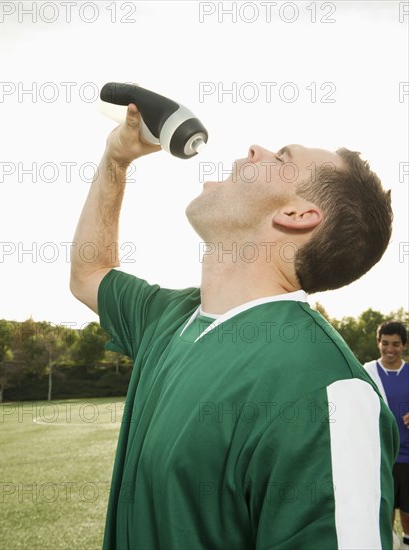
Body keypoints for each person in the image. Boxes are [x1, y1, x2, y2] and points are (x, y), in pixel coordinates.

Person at [70, 103, 399, 549]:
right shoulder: (169, 317)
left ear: (298, 215)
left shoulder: (332, 393)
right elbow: (89, 274)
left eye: (283, 158)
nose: (255, 149)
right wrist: (116, 159)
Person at [364, 322, 409, 550]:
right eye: (385, 343)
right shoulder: (366, 372)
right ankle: (388, 545)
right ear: (378, 343)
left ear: (404, 346)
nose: (390, 349)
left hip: (408, 458)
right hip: (381, 455)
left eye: (396, 344)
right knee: (384, 510)